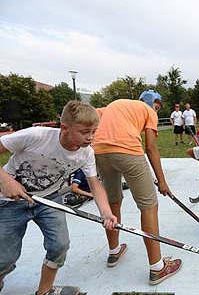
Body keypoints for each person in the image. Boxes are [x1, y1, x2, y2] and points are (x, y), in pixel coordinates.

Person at [0, 101, 117, 295]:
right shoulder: (35, 136)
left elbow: (95, 185)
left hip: (49, 199)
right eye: (84, 132)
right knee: (5, 258)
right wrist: (4, 180)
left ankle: (44, 291)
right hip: (9, 201)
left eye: (94, 131)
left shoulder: (86, 154)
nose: (90, 137)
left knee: (59, 245)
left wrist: (106, 213)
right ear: (64, 128)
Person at [92, 91, 182, 286]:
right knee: (148, 206)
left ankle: (114, 251)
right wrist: (162, 181)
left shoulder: (114, 105)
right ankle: (158, 268)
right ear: (151, 103)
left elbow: (90, 114)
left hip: (99, 152)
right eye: (157, 107)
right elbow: (151, 147)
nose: (156, 111)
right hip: (128, 151)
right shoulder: (148, 110)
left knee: (113, 201)